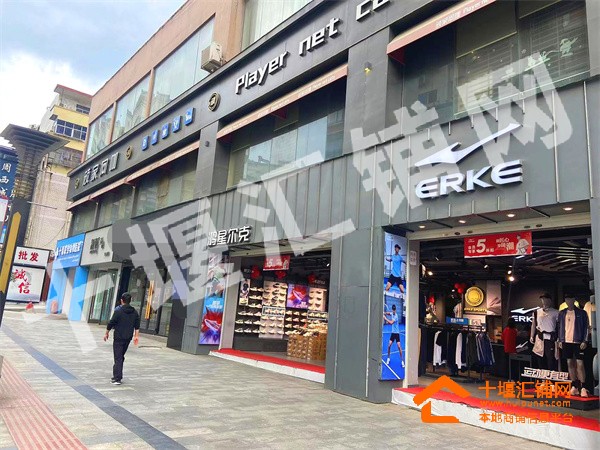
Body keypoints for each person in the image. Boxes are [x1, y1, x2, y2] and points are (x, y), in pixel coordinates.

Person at [104, 293, 140, 385]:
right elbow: (137, 326)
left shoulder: (118, 311)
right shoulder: (134, 312)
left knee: (118, 357)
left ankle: (117, 378)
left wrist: (106, 332)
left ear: (121, 300)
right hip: (128, 338)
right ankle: (116, 375)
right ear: (130, 300)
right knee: (120, 356)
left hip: (118, 337)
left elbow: (111, 322)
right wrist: (136, 336)